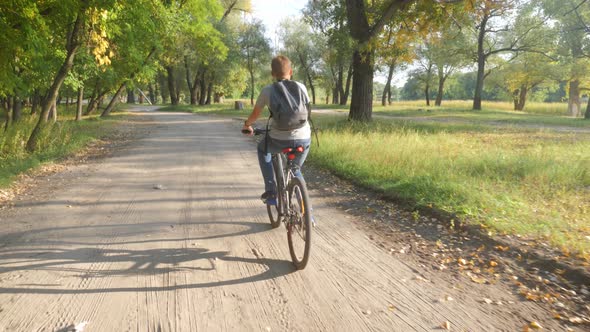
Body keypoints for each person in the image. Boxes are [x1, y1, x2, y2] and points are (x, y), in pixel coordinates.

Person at [242, 55, 312, 205]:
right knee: (295, 169)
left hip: (278, 139)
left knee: (263, 149)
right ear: (291, 71)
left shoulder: (268, 90)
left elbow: (255, 114)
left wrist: (247, 124)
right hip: (303, 137)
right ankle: (308, 214)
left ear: (272, 74)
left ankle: (271, 191)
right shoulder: (302, 87)